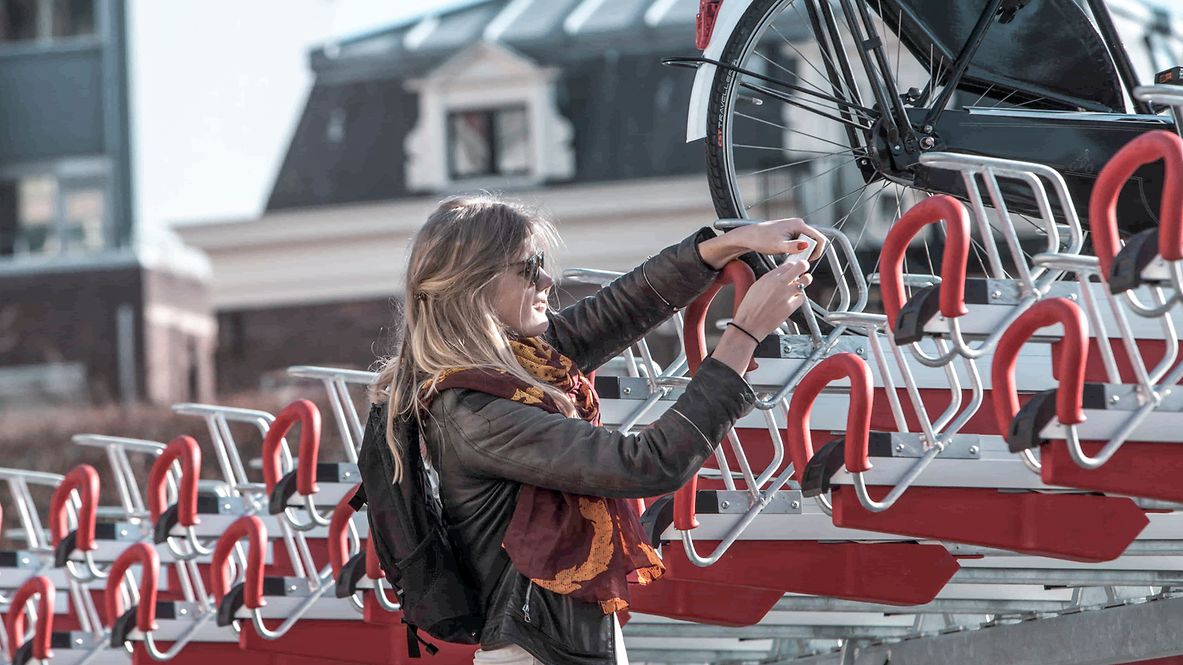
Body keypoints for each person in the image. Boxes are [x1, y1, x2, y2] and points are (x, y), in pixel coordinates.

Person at [370, 194, 824, 665]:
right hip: (536, 653)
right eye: (529, 268)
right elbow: (648, 462)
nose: (548, 278)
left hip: (551, 647)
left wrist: (726, 243)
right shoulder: (474, 410)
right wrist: (743, 335)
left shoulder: (522, 367)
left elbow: (619, 310)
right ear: (474, 287)